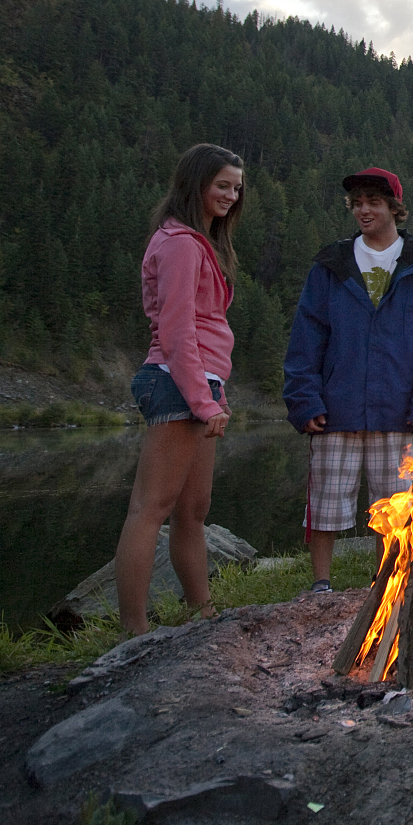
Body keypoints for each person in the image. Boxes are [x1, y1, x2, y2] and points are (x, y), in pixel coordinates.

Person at [282, 167, 413, 590]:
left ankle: (385, 583)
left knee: (393, 509)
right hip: (335, 408)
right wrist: (304, 400)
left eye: (373, 203)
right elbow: (307, 336)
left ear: (394, 208)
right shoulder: (330, 264)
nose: (363, 210)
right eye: (357, 203)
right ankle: (321, 584)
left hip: (397, 411)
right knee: (324, 506)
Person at [116, 143, 244, 636]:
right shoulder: (179, 244)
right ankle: (135, 629)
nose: (231, 196)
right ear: (196, 184)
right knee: (151, 508)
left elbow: (202, 336)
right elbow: (176, 332)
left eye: (236, 188)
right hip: (173, 382)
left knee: (193, 511)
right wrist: (199, 397)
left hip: (197, 383)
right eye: (222, 185)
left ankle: (202, 613)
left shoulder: (198, 243)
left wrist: (215, 392)